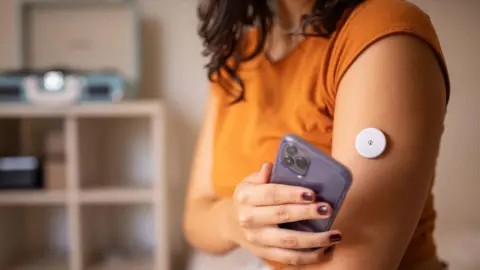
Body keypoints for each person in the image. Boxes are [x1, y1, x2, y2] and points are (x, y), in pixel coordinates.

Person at [183, 0, 450, 269]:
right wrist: (235, 220)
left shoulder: (381, 35)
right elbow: (195, 219)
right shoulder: (236, 57)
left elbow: (353, 263)